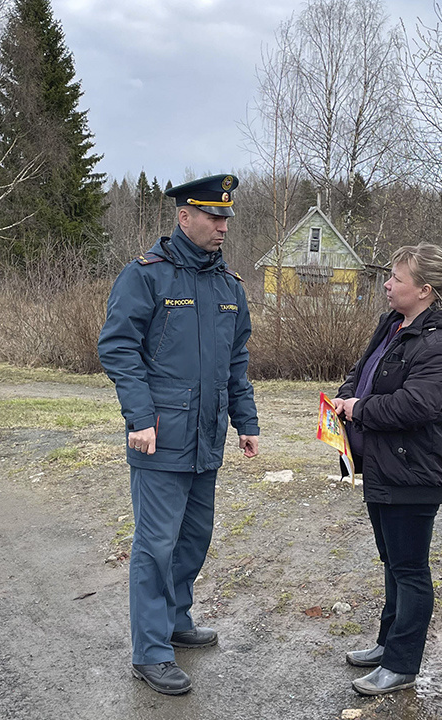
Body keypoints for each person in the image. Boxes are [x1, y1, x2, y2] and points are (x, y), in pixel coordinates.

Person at [97, 174, 260, 696]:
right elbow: (117, 349)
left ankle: (174, 619)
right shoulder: (145, 277)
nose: (222, 226)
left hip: (206, 439)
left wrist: (246, 422)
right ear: (183, 216)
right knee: (155, 545)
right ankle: (150, 650)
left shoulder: (229, 287)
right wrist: (139, 417)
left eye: (226, 217)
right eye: (213, 216)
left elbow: (237, 362)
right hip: (160, 437)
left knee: (194, 539)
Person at [331, 244, 442, 696]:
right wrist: (345, 398)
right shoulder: (395, 325)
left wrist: (360, 408)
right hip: (383, 465)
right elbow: (361, 373)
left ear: (425, 290)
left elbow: (418, 404)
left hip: (416, 472)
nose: (387, 284)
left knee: (410, 569)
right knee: (392, 561)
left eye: (397, 278)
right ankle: (387, 645)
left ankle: (402, 665)